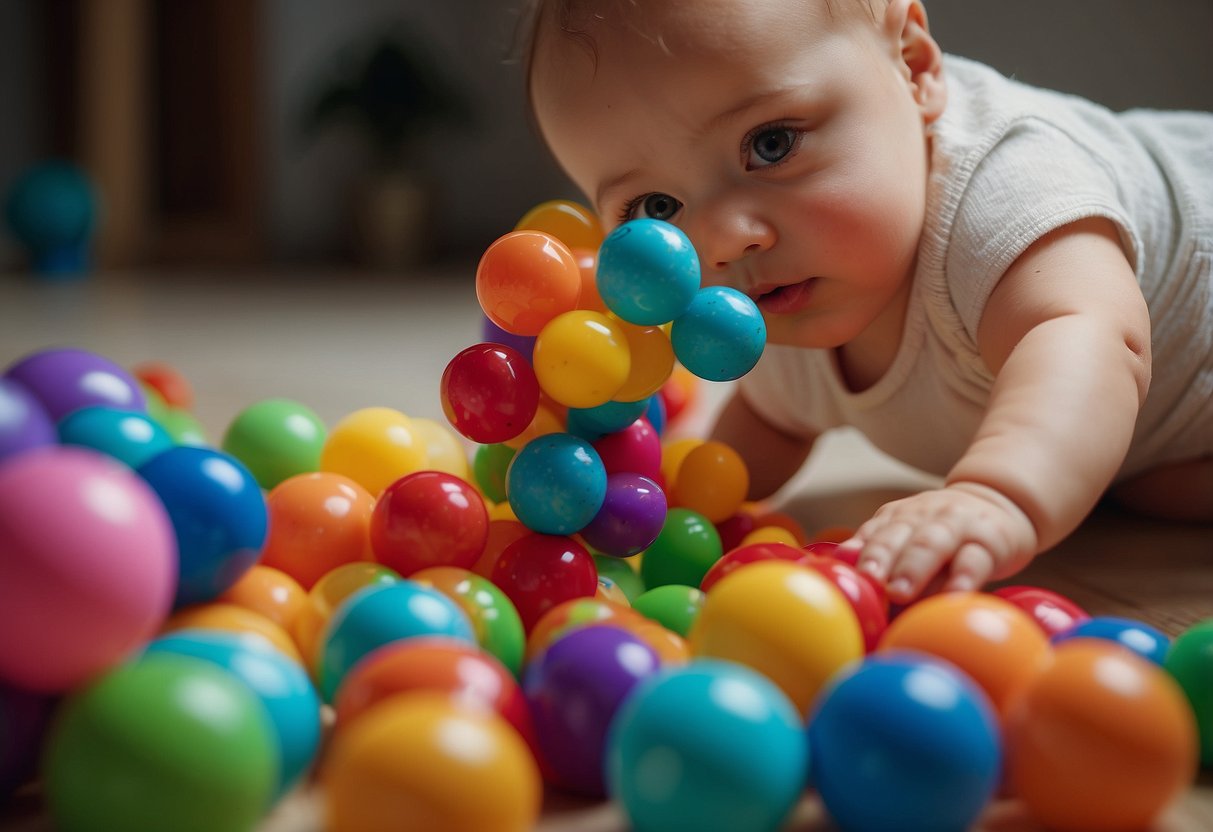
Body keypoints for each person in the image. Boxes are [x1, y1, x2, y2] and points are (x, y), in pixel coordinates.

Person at [522, 0, 1213, 603]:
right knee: (1146, 491)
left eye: (771, 144)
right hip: (1172, 428)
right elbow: (772, 422)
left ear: (913, 66)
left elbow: (1088, 337)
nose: (724, 240)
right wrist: (662, 514)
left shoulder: (1005, 198)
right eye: (656, 206)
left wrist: (992, 494)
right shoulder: (781, 291)